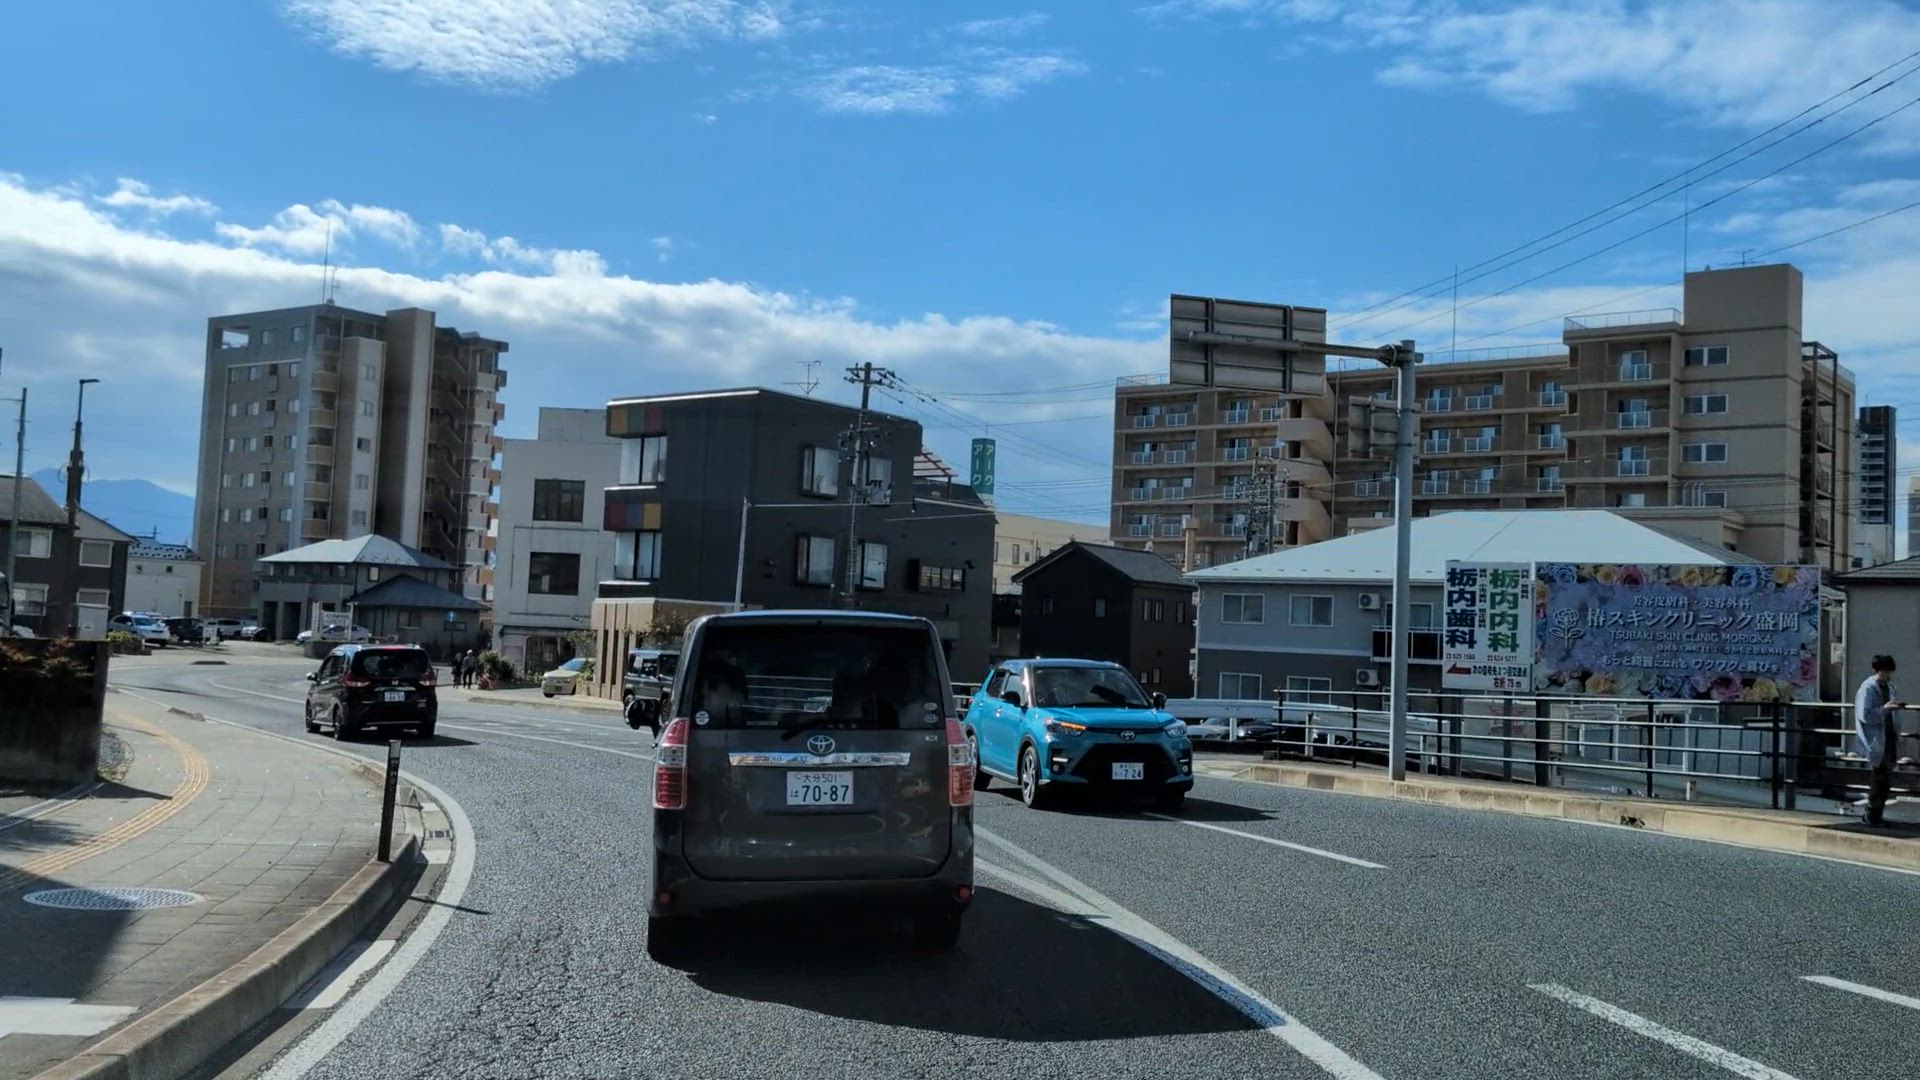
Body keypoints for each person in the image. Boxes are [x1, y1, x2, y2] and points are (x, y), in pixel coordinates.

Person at [1853, 654, 1904, 827]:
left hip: (1889, 737)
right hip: (1876, 740)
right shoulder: (1867, 688)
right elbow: (1865, 715)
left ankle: (1876, 814)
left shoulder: (1889, 687)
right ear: (1878, 670)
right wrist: (1884, 709)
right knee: (1878, 778)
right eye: (1886, 671)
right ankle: (1872, 815)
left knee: (1885, 779)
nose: (1888, 675)